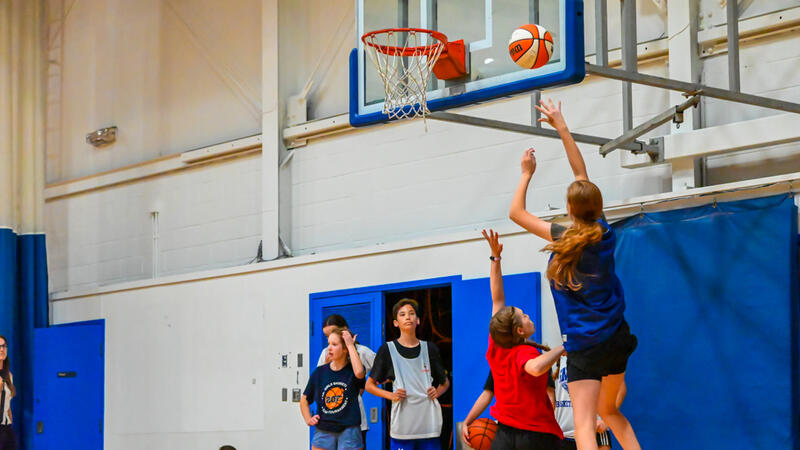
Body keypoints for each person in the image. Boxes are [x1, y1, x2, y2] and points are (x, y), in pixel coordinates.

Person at [508, 99, 640, 450]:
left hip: (584, 345)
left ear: (569, 210)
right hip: (616, 337)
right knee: (610, 412)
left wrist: (526, 173)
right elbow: (581, 176)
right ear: (598, 208)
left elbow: (516, 213)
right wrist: (562, 126)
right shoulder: (605, 232)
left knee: (583, 425)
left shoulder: (561, 237)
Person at [482, 229, 564, 449]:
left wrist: (495, 259)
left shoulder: (497, 345)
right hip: (534, 435)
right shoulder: (525, 352)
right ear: (519, 330)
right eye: (524, 316)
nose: (528, 316)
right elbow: (535, 368)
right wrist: (561, 349)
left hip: (504, 434)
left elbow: (497, 298)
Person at [365, 298, 450, 450]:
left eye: (411, 314)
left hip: (429, 426)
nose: (408, 317)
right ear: (396, 323)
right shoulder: (387, 350)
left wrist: (437, 391)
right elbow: (369, 385)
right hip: (402, 429)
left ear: (417, 320)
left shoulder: (429, 349)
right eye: (402, 314)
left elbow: (445, 383)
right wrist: (391, 396)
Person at [316, 315, 376, 447]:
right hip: (330, 422)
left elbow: (383, 372)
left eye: (333, 333)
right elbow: (318, 386)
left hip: (354, 422)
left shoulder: (362, 351)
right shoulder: (325, 353)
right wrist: (327, 366)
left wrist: (368, 385)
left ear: (345, 330)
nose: (331, 338)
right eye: (327, 336)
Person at [301, 327, 366, 450]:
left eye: (334, 344)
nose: (329, 348)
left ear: (345, 349)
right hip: (323, 430)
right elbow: (304, 400)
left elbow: (360, 373)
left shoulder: (353, 370)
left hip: (349, 430)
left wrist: (350, 345)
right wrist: (308, 418)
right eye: (329, 344)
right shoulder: (319, 372)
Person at [553, 356, 612, 450]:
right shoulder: (558, 358)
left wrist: (607, 420)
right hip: (563, 434)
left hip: (595, 430)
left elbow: (616, 390)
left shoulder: (596, 355)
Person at [0, 335, 17, 450]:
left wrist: (10, 422)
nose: (1, 349)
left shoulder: (9, 375)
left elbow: (8, 405)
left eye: (4, 346)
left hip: (6, 428)